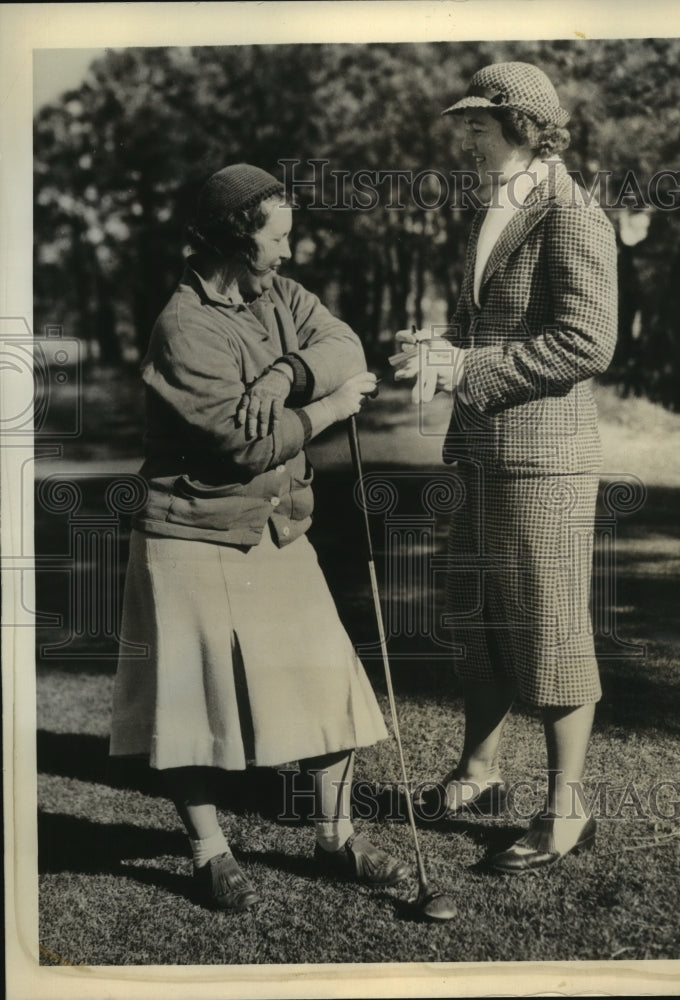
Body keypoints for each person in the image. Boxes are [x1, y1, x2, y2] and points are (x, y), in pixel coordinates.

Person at [110, 163, 411, 911]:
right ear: (238, 240)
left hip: (276, 525)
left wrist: (285, 376)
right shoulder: (183, 327)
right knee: (192, 703)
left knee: (328, 679)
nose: (289, 250)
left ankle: (337, 839)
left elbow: (346, 346)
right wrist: (331, 408)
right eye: (278, 236)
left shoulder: (279, 294)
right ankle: (209, 851)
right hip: (189, 530)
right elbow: (243, 448)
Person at [392, 62, 618, 872]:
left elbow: (590, 340)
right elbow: (485, 321)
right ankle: (478, 774)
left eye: (479, 121)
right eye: (466, 120)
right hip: (482, 454)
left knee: (549, 631)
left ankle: (565, 811)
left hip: (543, 463)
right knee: (478, 622)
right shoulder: (493, 204)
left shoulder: (571, 212)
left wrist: (472, 372)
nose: (467, 132)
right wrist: (441, 348)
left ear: (523, 124)